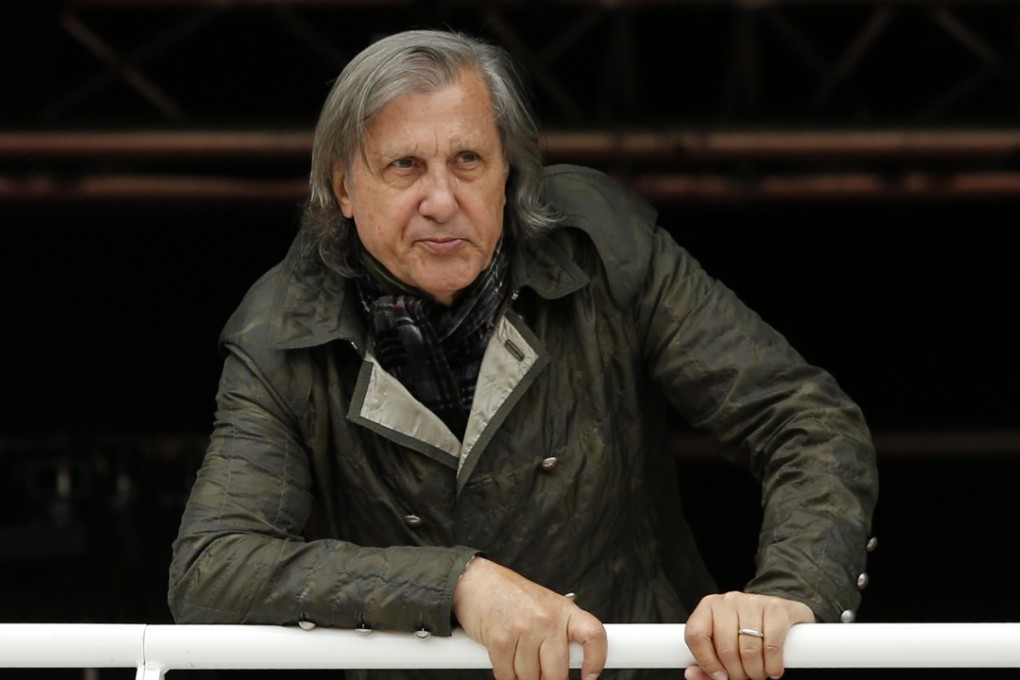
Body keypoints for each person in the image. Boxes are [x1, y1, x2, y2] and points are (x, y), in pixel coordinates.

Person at [167, 28, 879, 680]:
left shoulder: (602, 249)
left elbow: (805, 420)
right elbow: (212, 565)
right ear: (344, 187)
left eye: (468, 160)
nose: (441, 200)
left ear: (509, 174)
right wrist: (458, 584)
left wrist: (788, 594)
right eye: (405, 166)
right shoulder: (281, 326)